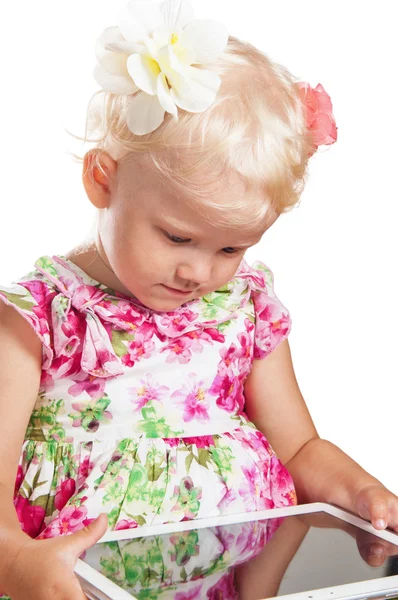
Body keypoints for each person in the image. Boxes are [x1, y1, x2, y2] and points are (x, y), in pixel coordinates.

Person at [0, 0, 397, 598]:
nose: (198, 272)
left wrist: (361, 491)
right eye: (178, 237)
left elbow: (300, 448)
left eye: (231, 248)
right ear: (102, 178)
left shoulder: (244, 309)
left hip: (225, 585)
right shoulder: (39, 320)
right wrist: (15, 564)